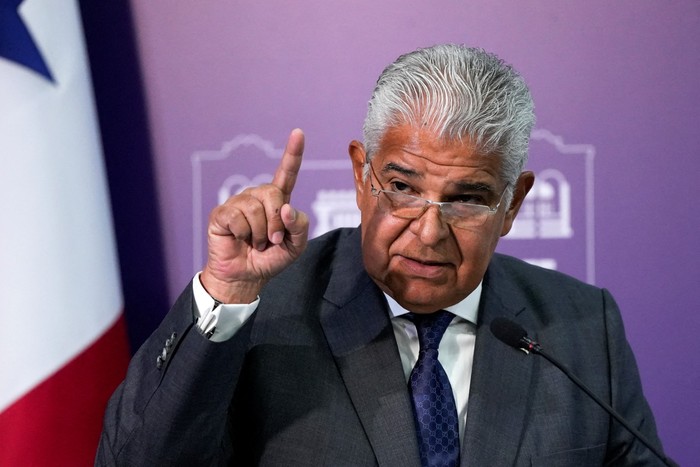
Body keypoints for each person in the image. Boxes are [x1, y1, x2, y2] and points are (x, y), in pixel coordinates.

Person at [96, 44, 672, 466]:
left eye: (466, 199)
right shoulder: (263, 309)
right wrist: (228, 292)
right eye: (401, 188)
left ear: (512, 203)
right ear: (359, 174)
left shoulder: (580, 325)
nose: (427, 232)